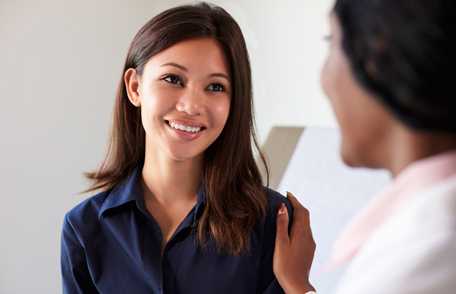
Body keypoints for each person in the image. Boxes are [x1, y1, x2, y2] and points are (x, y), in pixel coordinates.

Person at [60, 3, 292, 293]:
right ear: (135, 87)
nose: (191, 106)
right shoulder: (84, 227)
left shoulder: (273, 222)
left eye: (216, 87)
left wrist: (298, 286)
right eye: (173, 79)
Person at [273, 0, 456, 293]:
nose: (324, 80)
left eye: (331, 42)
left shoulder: (427, 250)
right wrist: (298, 285)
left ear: (377, 55)